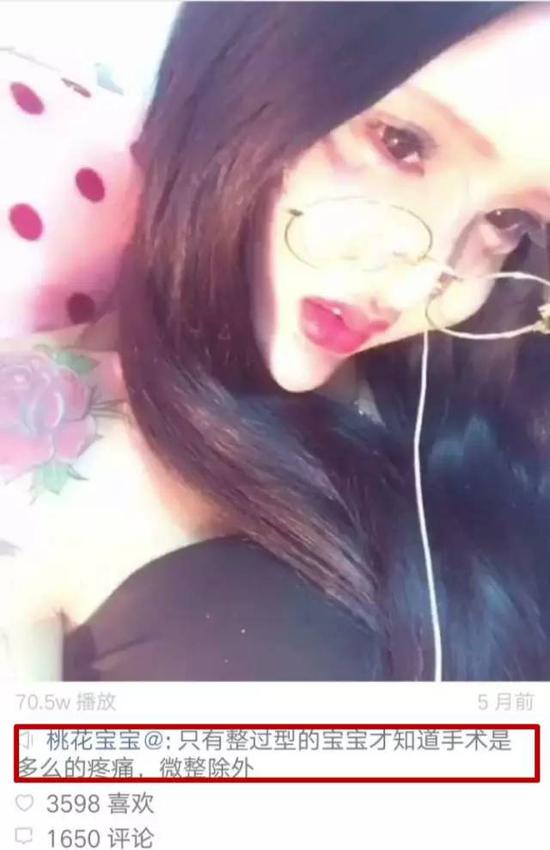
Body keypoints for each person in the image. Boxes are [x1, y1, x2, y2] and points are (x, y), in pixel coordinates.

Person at [2, 1, 550, 681]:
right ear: (249, 60)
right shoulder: (34, 433)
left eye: (508, 219)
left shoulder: (487, 399)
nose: (416, 286)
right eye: (399, 142)